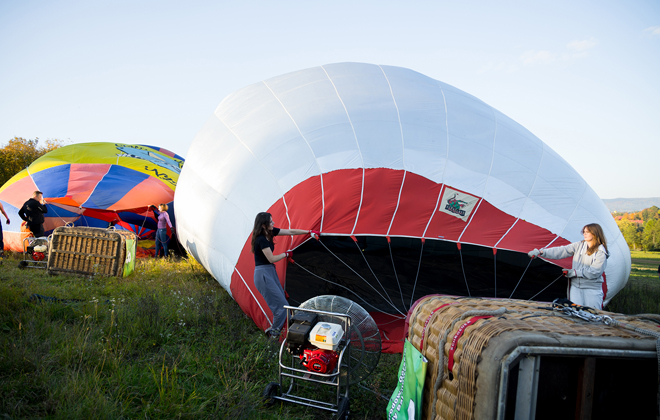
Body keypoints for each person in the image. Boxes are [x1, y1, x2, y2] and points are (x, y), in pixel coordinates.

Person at [251, 212, 318, 339]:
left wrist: (308, 232)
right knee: (281, 307)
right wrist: (286, 254)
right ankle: (274, 336)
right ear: (264, 225)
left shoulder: (270, 232)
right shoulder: (261, 239)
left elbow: (290, 232)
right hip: (263, 275)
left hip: (270, 271)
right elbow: (271, 258)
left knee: (283, 303)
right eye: (271, 222)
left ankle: (283, 333)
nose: (273, 223)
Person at [528, 223, 609, 309]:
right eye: (584, 232)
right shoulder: (579, 245)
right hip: (576, 288)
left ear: (595, 233)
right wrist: (541, 252)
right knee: (574, 314)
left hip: (591, 289)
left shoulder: (601, 252)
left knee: (592, 314)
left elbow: (595, 271)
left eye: (587, 232)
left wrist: (574, 273)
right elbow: (562, 250)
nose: (584, 234)